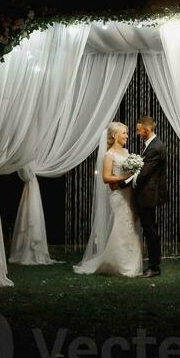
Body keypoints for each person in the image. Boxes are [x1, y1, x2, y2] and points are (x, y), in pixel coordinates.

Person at [73, 122, 144, 277]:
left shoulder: (126, 152)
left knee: (133, 226)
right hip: (118, 195)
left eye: (126, 133)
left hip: (130, 194)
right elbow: (106, 178)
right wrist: (125, 177)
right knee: (122, 227)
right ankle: (119, 264)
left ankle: (132, 263)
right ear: (114, 135)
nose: (126, 136)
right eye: (123, 133)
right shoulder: (109, 155)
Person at [119, 116, 167, 278]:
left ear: (147, 130)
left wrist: (123, 183)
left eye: (139, 130)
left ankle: (154, 267)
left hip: (148, 195)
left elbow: (144, 174)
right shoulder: (152, 145)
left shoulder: (155, 147)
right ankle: (153, 264)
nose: (138, 133)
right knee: (149, 229)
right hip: (147, 194)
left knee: (150, 230)